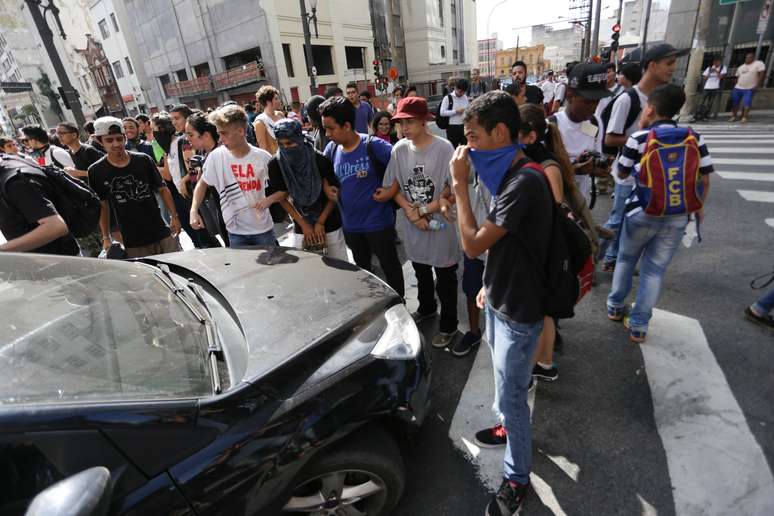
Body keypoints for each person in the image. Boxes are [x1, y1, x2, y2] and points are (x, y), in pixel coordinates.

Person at [450, 91, 553, 515]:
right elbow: (502, 242)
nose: (466, 147)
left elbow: (472, 245)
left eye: (472, 137)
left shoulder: (524, 180)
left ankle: (516, 478)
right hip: (499, 295)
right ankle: (510, 427)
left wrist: (457, 187)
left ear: (501, 133)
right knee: (502, 381)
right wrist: (489, 286)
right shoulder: (507, 172)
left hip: (520, 308)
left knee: (512, 394)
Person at [607, 84, 713, 343]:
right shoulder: (694, 137)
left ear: (651, 108)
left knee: (625, 259)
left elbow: (621, 173)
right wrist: (697, 206)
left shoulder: (640, 137)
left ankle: (615, 307)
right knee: (654, 270)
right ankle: (639, 326)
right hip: (677, 214)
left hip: (641, 211)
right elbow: (705, 178)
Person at [377, 97, 460, 349]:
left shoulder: (445, 148)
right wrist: (411, 213)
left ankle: (449, 325)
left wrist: (423, 210)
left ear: (425, 121)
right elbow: (394, 187)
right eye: (401, 123)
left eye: (410, 122)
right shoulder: (399, 149)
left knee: (445, 277)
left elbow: (454, 191)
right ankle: (426, 308)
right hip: (415, 226)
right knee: (421, 271)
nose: (404, 128)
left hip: (441, 225)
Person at [602, 43, 685, 272]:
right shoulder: (628, 99)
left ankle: (613, 259)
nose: (672, 69)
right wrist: (644, 142)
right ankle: (587, 255)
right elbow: (610, 139)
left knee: (631, 222)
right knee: (617, 221)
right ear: (652, 65)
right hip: (626, 174)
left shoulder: (661, 97)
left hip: (649, 175)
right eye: (669, 64)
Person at [320, 96, 404, 297]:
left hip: (379, 224)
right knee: (363, 273)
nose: (327, 133)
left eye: (331, 128)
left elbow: (403, 167)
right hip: (351, 227)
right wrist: (327, 189)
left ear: (347, 126)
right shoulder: (331, 149)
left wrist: (391, 191)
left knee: (390, 268)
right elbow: (323, 171)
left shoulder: (374, 146)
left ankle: (399, 305)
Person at [87, 117, 181, 258]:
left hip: (161, 232)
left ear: (125, 138)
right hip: (132, 241)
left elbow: (162, 189)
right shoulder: (96, 171)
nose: (116, 144)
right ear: (100, 141)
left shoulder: (143, 160)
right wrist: (106, 237)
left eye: (119, 139)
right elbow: (102, 205)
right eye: (109, 140)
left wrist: (174, 216)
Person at [190, 104, 276, 248]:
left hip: (263, 231)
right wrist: (193, 211)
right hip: (235, 233)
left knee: (272, 269)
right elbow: (202, 183)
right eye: (219, 133)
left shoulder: (263, 157)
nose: (220, 139)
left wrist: (270, 199)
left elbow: (282, 190)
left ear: (241, 131)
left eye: (224, 133)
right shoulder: (216, 157)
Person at [266, 118, 348, 260]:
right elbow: (281, 198)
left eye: (290, 143)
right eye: (281, 144)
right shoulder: (276, 164)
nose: (285, 148)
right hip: (300, 224)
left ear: (299, 139)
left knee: (340, 267)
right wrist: (303, 224)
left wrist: (320, 222)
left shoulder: (320, 160)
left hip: (329, 222)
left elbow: (334, 194)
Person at [551, 63, 612, 201]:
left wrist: (598, 169)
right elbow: (540, 171)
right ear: (570, 95)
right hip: (554, 203)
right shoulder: (551, 126)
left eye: (597, 101)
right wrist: (574, 169)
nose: (594, 108)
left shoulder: (595, 123)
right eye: (588, 102)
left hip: (581, 202)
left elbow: (597, 154)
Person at [0, 153, 80, 255]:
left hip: (59, 260)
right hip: (39, 260)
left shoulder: (17, 183)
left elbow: (56, 226)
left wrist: (3, 250)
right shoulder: (8, 163)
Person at [166, 106, 218, 248]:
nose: (174, 123)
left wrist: (185, 180)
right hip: (198, 191)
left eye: (177, 118)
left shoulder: (186, 142)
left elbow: (192, 168)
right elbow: (195, 170)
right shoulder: (183, 141)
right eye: (172, 120)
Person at [184, 110, 229, 245]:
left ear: (206, 135)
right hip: (222, 213)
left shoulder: (222, 154)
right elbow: (201, 184)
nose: (187, 139)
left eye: (191, 134)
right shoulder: (206, 155)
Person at [730, 52, 765, 123]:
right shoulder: (741, 67)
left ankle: (744, 117)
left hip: (749, 88)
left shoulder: (759, 64)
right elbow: (737, 77)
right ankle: (734, 116)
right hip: (738, 88)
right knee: (734, 103)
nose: (747, 58)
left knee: (747, 102)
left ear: (753, 58)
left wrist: (757, 86)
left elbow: (762, 74)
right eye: (746, 57)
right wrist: (735, 86)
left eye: (749, 57)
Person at [254, 85, 284, 154]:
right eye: (276, 99)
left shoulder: (280, 114)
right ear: (268, 102)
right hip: (275, 161)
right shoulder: (260, 122)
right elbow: (263, 149)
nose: (279, 101)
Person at [440, 78, 469, 148]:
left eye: (463, 92)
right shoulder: (447, 98)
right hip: (452, 127)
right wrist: (456, 111)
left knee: (465, 149)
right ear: (455, 87)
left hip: (464, 126)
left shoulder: (465, 97)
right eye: (460, 91)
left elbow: (468, 109)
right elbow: (442, 112)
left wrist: (466, 111)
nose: (461, 93)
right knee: (453, 150)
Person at [694, 56, 726, 121]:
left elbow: (720, 77)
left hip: (715, 87)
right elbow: (705, 78)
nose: (715, 62)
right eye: (714, 61)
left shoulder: (723, 68)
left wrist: (716, 71)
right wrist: (709, 72)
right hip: (707, 87)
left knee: (710, 102)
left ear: (720, 62)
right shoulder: (709, 68)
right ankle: (697, 114)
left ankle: (706, 115)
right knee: (701, 101)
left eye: (717, 61)